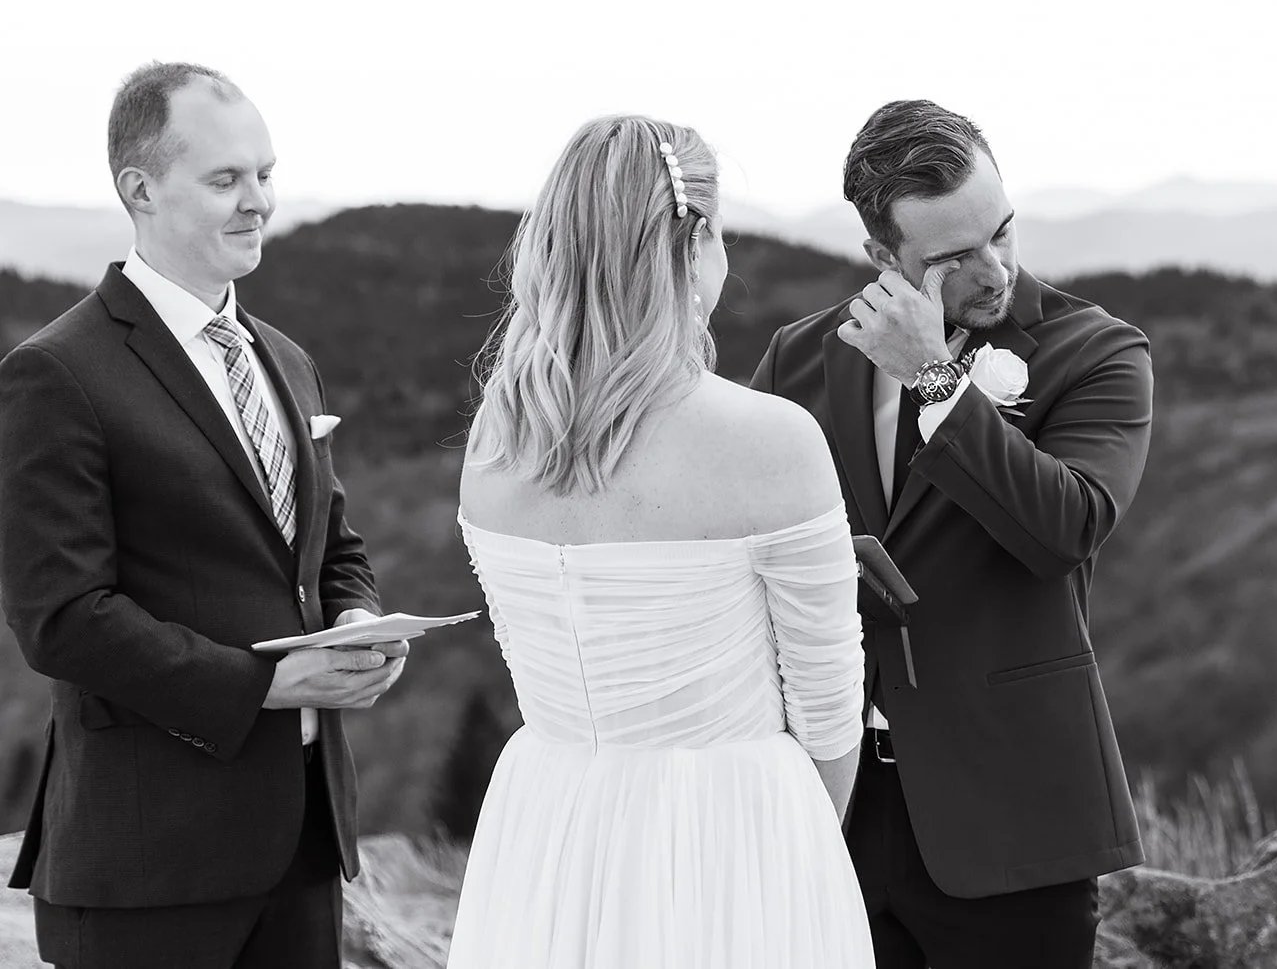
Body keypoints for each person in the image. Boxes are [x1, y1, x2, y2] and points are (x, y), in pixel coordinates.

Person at [0, 61, 408, 969]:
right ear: (139, 189)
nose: (257, 199)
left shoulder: (288, 361)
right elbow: (60, 617)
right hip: (150, 864)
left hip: (303, 846)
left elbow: (331, 547)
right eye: (225, 179)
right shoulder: (57, 372)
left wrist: (359, 620)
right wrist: (263, 685)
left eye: (264, 173)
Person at [449, 114, 873, 968]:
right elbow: (829, 719)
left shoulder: (493, 447)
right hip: (736, 833)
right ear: (699, 238)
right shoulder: (772, 441)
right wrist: (787, 847)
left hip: (549, 831)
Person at [750, 99, 1153, 969]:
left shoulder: (1098, 351)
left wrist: (938, 382)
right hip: (832, 812)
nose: (994, 268)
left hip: (1013, 817)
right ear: (882, 257)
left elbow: (1066, 528)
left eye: (1002, 231)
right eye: (955, 256)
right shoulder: (799, 357)